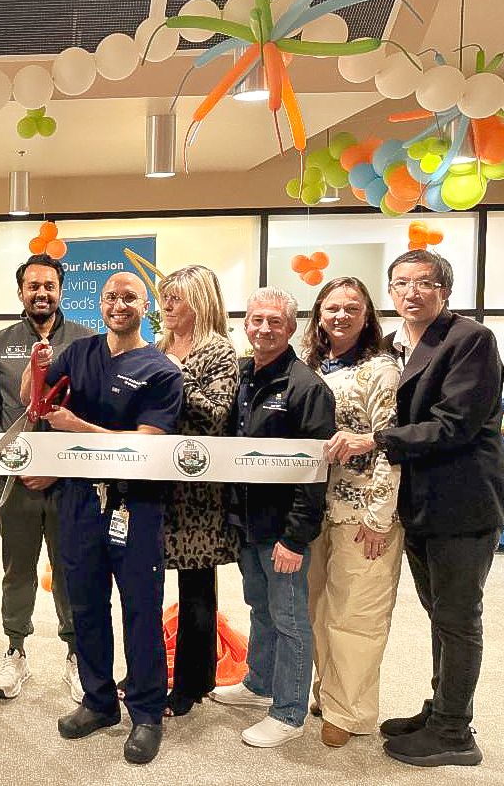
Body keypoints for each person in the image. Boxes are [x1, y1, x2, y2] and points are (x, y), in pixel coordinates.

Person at [326, 251, 504, 767]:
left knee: (459, 617)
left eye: (424, 283)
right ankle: (442, 707)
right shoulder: (395, 345)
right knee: (439, 615)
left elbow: (455, 423)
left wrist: (373, 439)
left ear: (444, 291)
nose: (411, 291)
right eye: (400, 282)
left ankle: (454, 732)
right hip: (420, 504)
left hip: (462, 503)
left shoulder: (469, 339)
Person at [28, 272, 182, 764]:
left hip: (134, 504)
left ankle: (145, 713)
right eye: (111, 297)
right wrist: (35, 372)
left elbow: (147, 443)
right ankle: (98, 701)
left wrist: (79, 428)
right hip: (78, 500)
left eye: (129, 298)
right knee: (86, 605)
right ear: (100, 303)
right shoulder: (78, 353)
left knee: (140, 608)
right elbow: (40, 407)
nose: (119, 305)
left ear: (146, 306)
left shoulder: (163, 371)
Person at [211, 287, 335, 749]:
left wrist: (296, 538)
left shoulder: (306, 389)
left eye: (275, 322)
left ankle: (288, 712)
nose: (264, 328)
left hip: (282, 533)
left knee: (290, 618)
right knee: (260, 609)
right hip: (245, 524)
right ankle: (259, 684)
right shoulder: (243, 376)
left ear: (292, 327)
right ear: (246, 324)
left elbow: (314, 473)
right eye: (257, 320)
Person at [0, 254, 94, 702]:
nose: (41, 293)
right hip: (16, 480)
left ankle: (75, 654)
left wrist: (58, 466)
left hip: (68, 480)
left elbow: (91, 412)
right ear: (21, 293)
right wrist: (15, 464)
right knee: (17, 567)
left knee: (70, 568)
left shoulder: (87, 341)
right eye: (33, 286)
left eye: (49, 285)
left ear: (61, 290)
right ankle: (15, 649)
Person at [300, 277, 401, 749]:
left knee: (356, 613)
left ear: (367, 316)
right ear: (318, 314)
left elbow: (391, 443)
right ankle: (328, 691)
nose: (340, 316)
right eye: (332, 307)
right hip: (315, 509)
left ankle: (351, 711)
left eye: (352, 308)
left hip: (363, 512)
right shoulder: (310, 367)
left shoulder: (381, 370)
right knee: (317, 609)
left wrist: (381, 515)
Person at [156, 265, 240, 717]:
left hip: (198, 490)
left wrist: (175, 374)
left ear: (201, 302)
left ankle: (192, 683)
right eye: (164, 297)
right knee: (147, 584)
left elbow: (217, 415)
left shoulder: (219, 351)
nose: (167, 305)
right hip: (156, 481)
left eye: (176, 298)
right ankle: (149, 671)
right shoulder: (160, 346)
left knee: (196, 590)